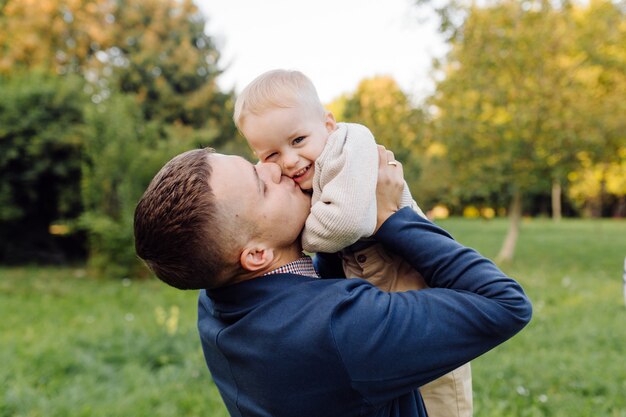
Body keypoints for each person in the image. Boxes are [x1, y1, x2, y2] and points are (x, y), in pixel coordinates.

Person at [133, 146, 532, 417]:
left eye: (254, 163)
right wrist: (391, 219)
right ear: (256, 255)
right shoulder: (341, 328)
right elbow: (504, 303)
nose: (275, 167)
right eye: (263, 185)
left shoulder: (216, 297)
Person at [233, 69, 472, 416]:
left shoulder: (352, 144)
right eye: (270, 155)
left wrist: (288, 234)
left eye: (298, 140)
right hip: (371, 291)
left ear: (328, 124)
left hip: (412, 281)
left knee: (438, 393)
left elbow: (346, 223)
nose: (288, 160)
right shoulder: (306, 169)